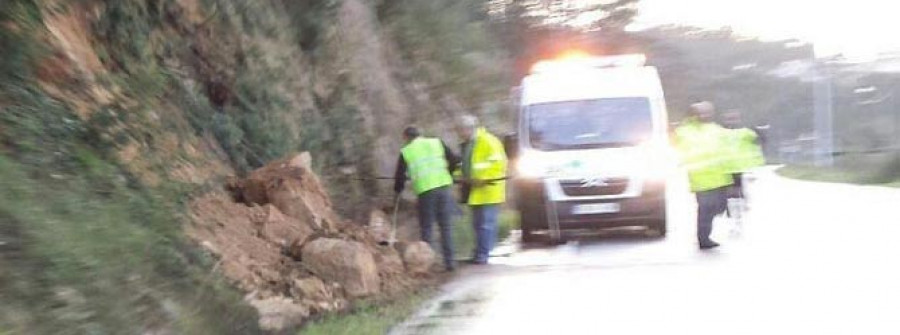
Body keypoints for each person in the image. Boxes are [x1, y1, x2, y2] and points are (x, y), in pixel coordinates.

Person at [394, 126, 460, 271]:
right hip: (444, 188)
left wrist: (398, 190)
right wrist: (448, 173)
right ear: (420, 134)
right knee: (446, 226)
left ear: (406, 138)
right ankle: (450, 263)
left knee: (427, 228)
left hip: (425, 191)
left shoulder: (407, 151)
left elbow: (399, 176)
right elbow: (455, 160)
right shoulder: (437, 142)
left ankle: (429, 265)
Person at [674, 102, 734, 249]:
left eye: (708, 112)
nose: (705, 115)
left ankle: (704, 236)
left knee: (719, 208)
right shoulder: (685, 131)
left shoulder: (716, 129)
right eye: (701, 112)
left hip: (720, 177)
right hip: (701, 179)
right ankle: (703, 238)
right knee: (705, 209)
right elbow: (678, 145)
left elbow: (729, 148)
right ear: (693, 114)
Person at [456, 115, 508, 264]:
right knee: (477, 224)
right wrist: (458, 177)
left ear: (469, 129)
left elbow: (499, 163)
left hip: (488, 190)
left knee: (486, 224)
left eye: (461, 131)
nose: (460, 134)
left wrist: (484, 178)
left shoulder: (488, 141)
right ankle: (479, 252)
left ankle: (483, 255)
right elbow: (464, 165)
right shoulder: (467, 144)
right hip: (474, 191)